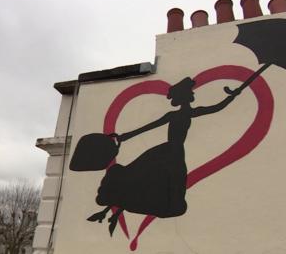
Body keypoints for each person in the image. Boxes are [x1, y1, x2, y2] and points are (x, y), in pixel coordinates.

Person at [86, 77, 241, 236]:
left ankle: (155, 203)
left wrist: (233, 95)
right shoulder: (177, 114)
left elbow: (217, 107)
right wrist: (126, 136)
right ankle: (137, 201)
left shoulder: (189, 112)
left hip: (171, 151)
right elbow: (149, 126)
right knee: (155, 176)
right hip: (170, 151)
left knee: (165, 178)